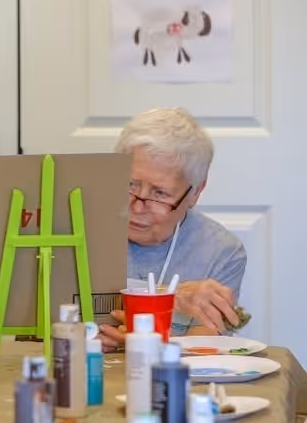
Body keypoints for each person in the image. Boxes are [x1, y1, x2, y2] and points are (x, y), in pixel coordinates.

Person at [98, 108, 247, 352]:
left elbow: (206, 344)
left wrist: (150, 343)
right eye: (130, 184)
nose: (136, 206)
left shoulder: (221, 251)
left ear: (196, 192)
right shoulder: (78, 228)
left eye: (160, 193)